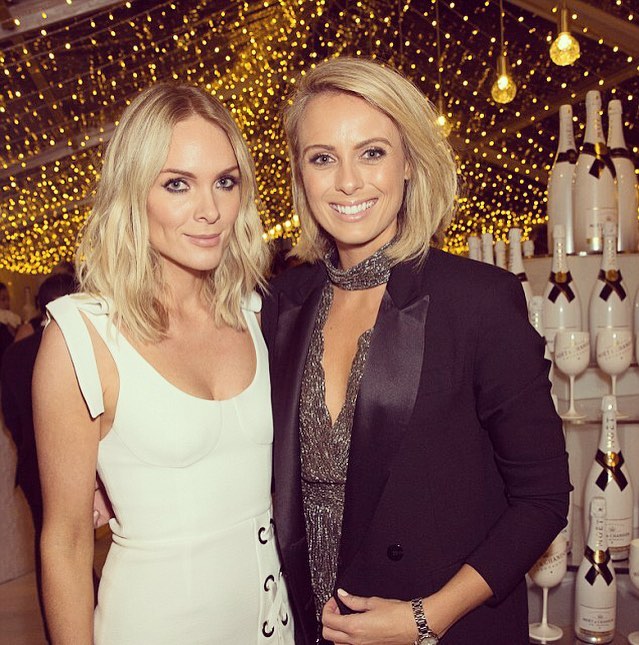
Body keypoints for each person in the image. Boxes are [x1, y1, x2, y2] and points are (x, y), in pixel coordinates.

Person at [261, 57, 571, 644]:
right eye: (322, 158)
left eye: (372, 152)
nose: (347, 182)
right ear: (301, 174)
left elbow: (543, 498)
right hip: (307, 625)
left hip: (441, 628)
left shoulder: (478, 301)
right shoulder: (282, 303)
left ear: (408, 163)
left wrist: (426, 617)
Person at [33, 83, 294, 645]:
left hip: (273, 628)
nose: (210, 210)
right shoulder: (82, 335)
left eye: (225, 182)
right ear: (134, 193)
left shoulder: (255, 314)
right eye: (178, 184)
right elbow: (66, 543)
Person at [1, 272, 77, 641]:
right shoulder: (78, 347)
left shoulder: (15, 355)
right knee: (72, 540)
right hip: (77, 459)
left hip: (31, 463)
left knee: (48, 539)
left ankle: (56, 627)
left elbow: (11, 418)